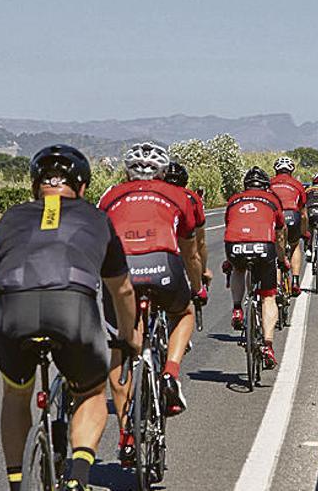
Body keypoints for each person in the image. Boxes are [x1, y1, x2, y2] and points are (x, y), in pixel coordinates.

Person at [0, 145, 137, 491]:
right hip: (71, 307)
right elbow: (123, 290)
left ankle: (16, 483)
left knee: (15, 394)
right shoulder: (98, 218)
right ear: (83, 188)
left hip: (12, 308)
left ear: (34, 185)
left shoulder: (10, 218)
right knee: (91, 392)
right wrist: (128, 335)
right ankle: (78, 478)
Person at [97, 142, 203, 465]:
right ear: (161, 170)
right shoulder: (177, 195)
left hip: (122, 270)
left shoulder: (110, 194)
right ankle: (170, 372)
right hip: (163, 266)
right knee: (184, 312)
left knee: (120, 347)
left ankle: (126, 436)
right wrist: (196, 288)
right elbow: (190, 252)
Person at [224, 166, 288, 369]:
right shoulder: (272, 200)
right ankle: (268, 346)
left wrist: (229, 260)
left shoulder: (234, 200)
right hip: (263, 246)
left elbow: (230, 226)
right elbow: (279, 234)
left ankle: (237, 309)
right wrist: (282, 259)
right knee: (268, 296)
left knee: (237, 269)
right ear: (266, 186)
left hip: (234, 245)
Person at [165, 160, 212, 293]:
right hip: (181, 246)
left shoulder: (155, 194)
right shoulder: (192, 197)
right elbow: (200, 241)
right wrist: (203, 271)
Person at [269, 156, 308, 296]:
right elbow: (303, 214)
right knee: (295, 245)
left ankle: (278, 287)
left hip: (276, 217)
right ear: (292, 170)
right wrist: (304, 232)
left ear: (276, 170)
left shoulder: (269, 183)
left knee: (276, 250)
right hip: (293, 216)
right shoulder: (297, 185)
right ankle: (296, 282)